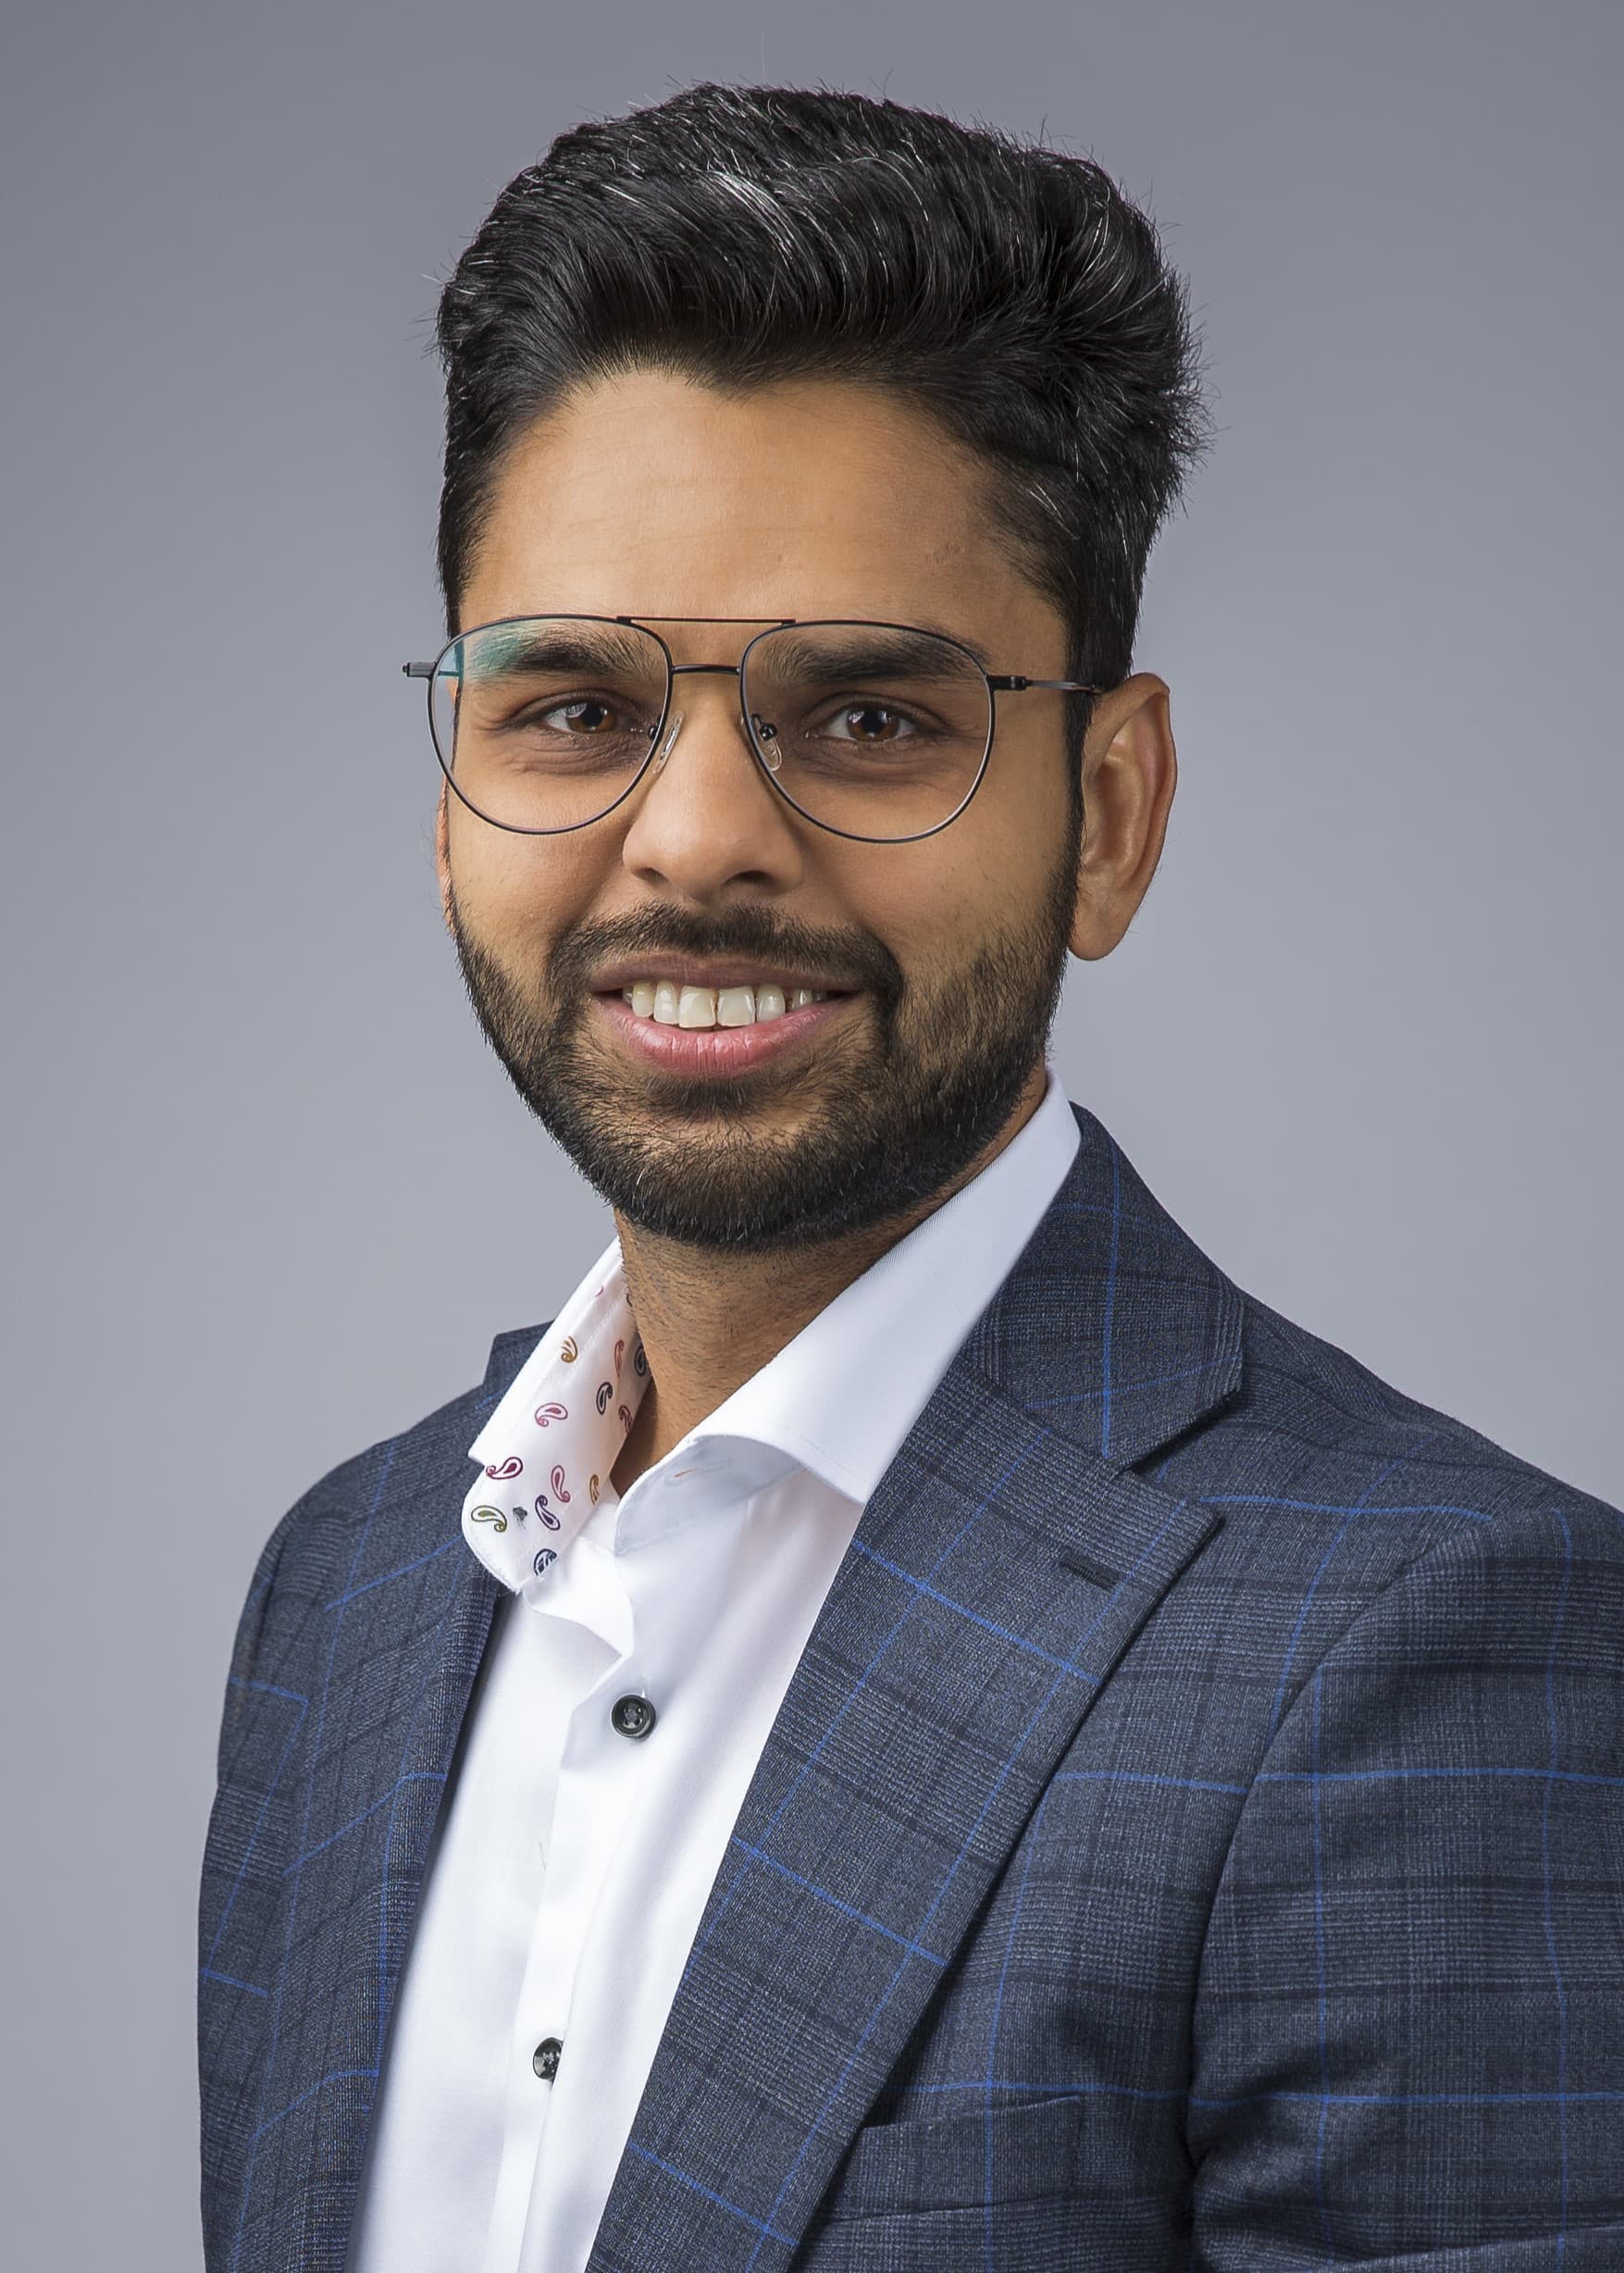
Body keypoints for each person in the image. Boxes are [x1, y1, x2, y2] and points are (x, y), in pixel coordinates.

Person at [197, 82, 1624, 2273]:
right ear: (449, 776)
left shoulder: (1432, 1650)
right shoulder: (351, 1594)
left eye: (866, 715)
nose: (691, 839)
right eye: (567, 703)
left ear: (1111, 809)